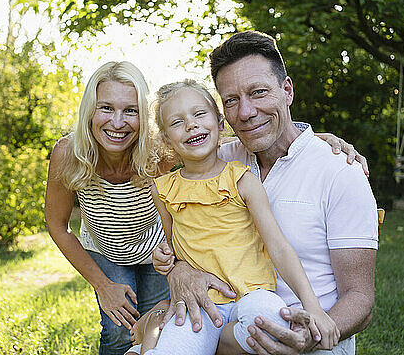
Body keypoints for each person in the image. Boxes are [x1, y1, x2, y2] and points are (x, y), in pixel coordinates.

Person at [153, 31, 378, 355]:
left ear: (287, 90)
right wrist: (179, 269)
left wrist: (308, 337)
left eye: (258, 92)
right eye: (231, 100)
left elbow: (360, 299)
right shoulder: (222, 161)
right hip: (221, 327)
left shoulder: (340, 171)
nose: (245, 112)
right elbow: (176, 223)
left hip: (303, 340)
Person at [143, 80, 339, 355]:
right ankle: (147, 342)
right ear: (165, 139)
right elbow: (173, 247)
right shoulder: (164, 189)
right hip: (199, 303)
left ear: (220, 123)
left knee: (272, 326)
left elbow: (278, 247)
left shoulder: (242, 180)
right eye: (177, 122)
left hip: (253, 293)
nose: (191, 125)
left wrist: (313, 306)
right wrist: (165, 258)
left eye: (200, 114)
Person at [44, 61, 171, 355]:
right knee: (119, 331)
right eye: (106, 108)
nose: (117, 122)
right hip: (105, 250)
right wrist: (102, 285)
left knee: (156, 331)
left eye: (130, 111)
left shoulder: (159, 152)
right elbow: (57, 225)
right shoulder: (68, 153)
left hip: (156, 251)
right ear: (90, 110)